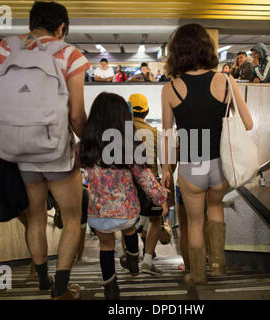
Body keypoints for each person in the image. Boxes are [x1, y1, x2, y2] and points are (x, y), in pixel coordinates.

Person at [0, 1, 90, 300]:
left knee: (37, 217)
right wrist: (92, 147)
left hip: (18, 149)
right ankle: (62, 290)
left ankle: (42, 280)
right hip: (56, 152)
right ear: (62, 27)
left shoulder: (0, 49)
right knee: (71, 220)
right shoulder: (70, 55)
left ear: (31, 24)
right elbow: (77, 116)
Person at [161, 23, 253, 285]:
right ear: (207, 49)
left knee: (194, 222)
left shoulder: (171, 88)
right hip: (220, 165)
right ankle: (218, 266)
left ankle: (198, 275)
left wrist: (165, 171)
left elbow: (168, 136)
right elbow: (248, 123)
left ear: (177, 52)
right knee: (215, 209)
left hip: (192, 166)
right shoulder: (226, 80)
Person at [79, 92, 168, 299]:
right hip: (126, 211)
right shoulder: (129, 147)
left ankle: (110, 287)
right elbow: (144, 177)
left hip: (98, 212)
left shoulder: (84, 147)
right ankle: (133, 259)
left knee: (106, 245)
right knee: (129, 229)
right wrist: (161, 197)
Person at [127, 93, 174, 275]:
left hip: (128, 184)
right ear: (146, 111)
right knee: (155, 221)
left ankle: (130, 257)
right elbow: (166, 164)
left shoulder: (120, 131)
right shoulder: (155, 133)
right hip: (150, 183)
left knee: (127, 223)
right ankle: (147, 261)